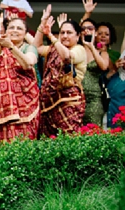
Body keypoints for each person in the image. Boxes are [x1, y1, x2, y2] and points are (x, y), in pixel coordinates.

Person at [0, 8, 40, 143]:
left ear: (25, 33)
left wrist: (12, 47)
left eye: (19, 28)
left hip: (24, 105)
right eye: (11, 27)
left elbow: (28, 64)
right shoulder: (0, 48)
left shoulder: (29, 48)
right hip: (0, 104)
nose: (14, 30)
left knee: (21, 143)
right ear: (6, 31)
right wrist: (1, 47)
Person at [34, 7, 86, 136]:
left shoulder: (79, 49)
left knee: (69, 139)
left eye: (69, 33)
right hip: (49, 102)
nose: (64, 36)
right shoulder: (54, 49)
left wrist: (51, 36)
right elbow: (36, 48)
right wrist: (42, 24)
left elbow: (67, 57)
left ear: (78, 36)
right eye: (62, 32)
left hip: (69, 101)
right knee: (48, 141)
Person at [78, 18, 109, 126]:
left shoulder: (102, 52)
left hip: (94, 98)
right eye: (83, 28)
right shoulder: (76, 49)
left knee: (93, 131)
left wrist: (91, 46)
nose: (86, 30)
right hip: (76, 97)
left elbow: (104, 66)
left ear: (95, 32)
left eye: (90, 28)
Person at [105, 49, 125, 128]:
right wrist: (114, 69)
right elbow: (102, 82)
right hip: (109, 113)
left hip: (123, 119)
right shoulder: (116, 75)